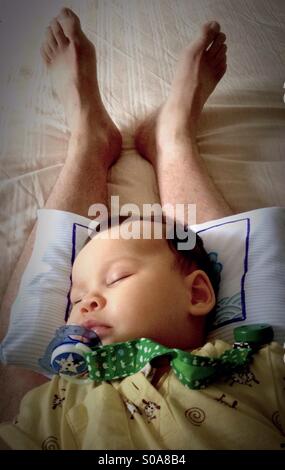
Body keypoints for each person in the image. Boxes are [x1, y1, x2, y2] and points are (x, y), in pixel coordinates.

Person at [0, 8, 284, 450]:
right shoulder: (57, 389)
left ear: (197, 293)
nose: (84, 301)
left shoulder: (260, 367)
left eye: (118, 277)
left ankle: (124, 141)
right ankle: (148, 141)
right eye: (72, 300)